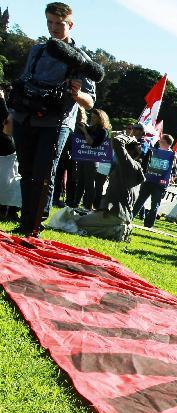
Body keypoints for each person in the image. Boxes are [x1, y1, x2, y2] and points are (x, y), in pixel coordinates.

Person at [10, 2, 99, 237]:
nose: (53, 28)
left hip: (56, 122)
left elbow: (90, 102)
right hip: (25, 117)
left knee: (43, 174)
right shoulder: (37, 50)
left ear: (70, 24)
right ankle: (25, 221)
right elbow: (23, 80)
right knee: (26, 171)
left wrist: (77, 94)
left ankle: (34, 225)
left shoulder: (81, 59)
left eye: (58, 24)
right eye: (49, 22)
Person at [70, 107, 109, 210]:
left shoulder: (103, 131)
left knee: (89, 184)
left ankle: (88, 206)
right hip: (83, 158)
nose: (92, 119)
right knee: (80, 183)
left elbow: (92, 143)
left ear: (100, 118)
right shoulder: (90, 128)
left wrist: (85, 132)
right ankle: (75, 204)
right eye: (92, 117)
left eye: (95, 117)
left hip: (93, 161)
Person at [132, 133, 174, 228]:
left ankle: (149, 224)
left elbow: (171, 170)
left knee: (154, 205)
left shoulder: (172, 155)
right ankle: (130, 218)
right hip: (148, 180)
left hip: (160, 184)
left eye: (161, 140)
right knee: (140, 201)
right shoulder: (153, 151)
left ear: (166, 143)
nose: (159, 141)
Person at [0, 88, 22, 220]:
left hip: (6, 147)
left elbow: (7, 124)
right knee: (7, 180)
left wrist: (1, 101)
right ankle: (7, 210)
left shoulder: (11, 108)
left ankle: (9, 211)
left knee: (8, 180)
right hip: (6, 146)